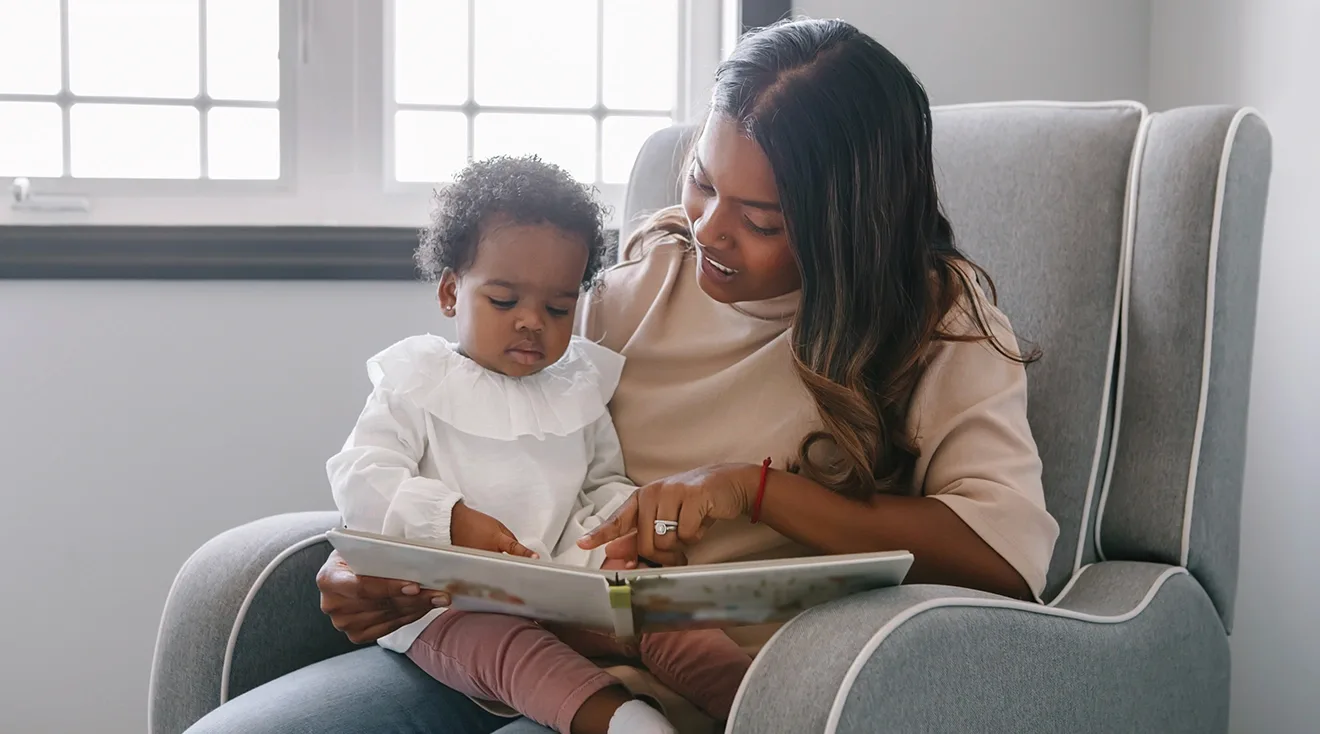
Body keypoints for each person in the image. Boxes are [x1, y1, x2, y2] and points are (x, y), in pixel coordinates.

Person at [184, 17, 1059, 734]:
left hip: (691, 694)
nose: (709, 230)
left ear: (850, 223)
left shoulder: (934, 320)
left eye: (759, 218)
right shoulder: (640, 283)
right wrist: (382, 565)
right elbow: (484, 439)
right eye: (700, 183)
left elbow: (1007, 561)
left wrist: (755, 492)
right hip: (505, 646)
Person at [326, 155, 752, 734]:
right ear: (452, 293)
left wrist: (619, 536)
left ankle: (759, 706)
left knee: (663, 613)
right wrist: (447, 521)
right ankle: (621, 721)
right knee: (509, 650)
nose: (532, 322)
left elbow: (603, 484)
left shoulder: (577, 388)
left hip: (567, 583)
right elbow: (363, 475)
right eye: (504, 302)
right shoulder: (416, 382)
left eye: (557, 307)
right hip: (450, 603)